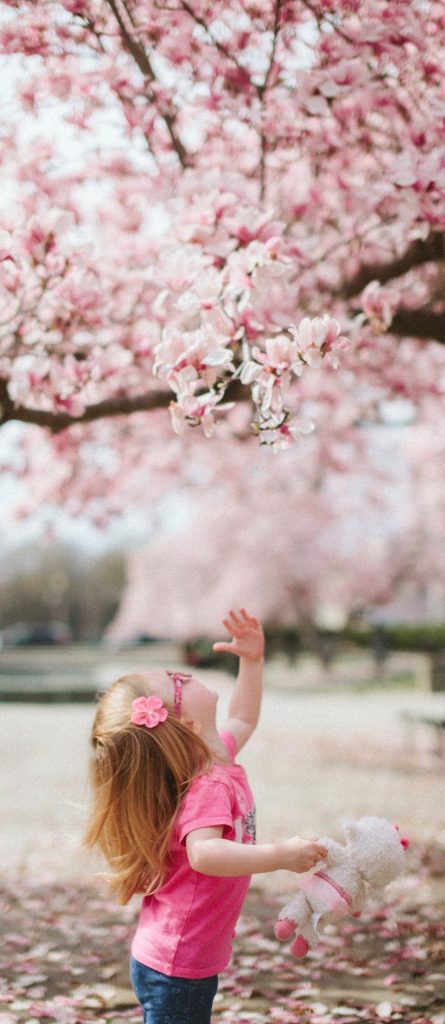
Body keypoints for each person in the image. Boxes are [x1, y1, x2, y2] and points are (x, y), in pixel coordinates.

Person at [83, 608, 327, 1024]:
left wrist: (251, 661)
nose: (185, 673)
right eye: (178, 682)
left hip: (177, 956)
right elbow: (205, 853)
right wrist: (281, 855)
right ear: (190, 725)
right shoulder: (208, 785)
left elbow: (244, 716)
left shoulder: (217, 757)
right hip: (177, 965)